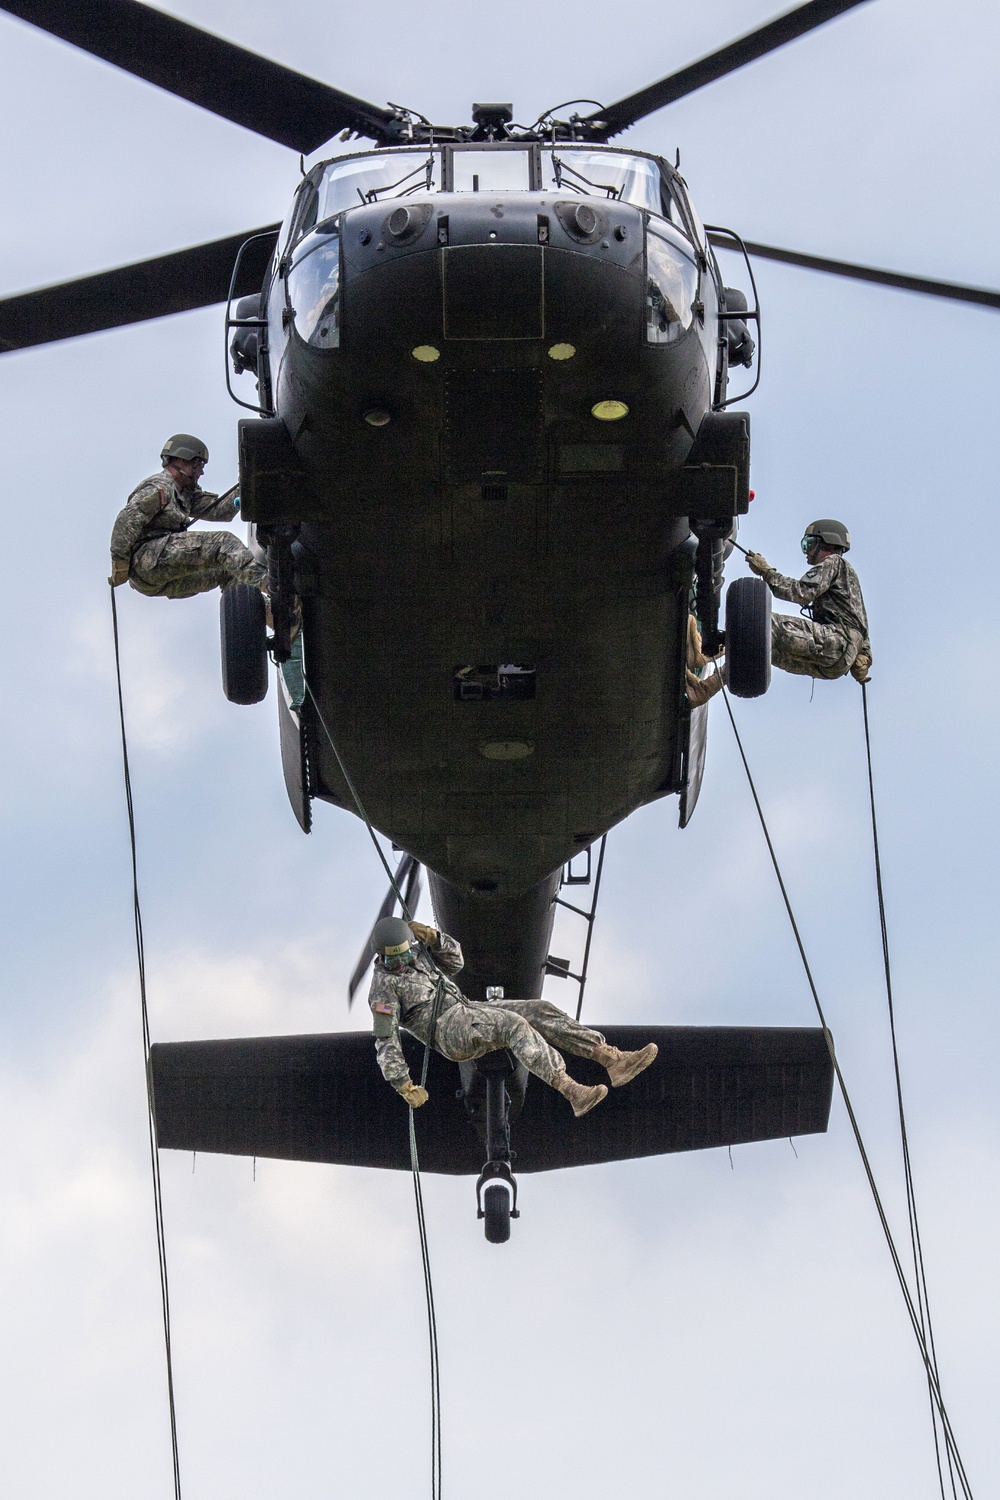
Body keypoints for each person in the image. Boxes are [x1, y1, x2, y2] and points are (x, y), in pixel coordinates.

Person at [367, 917, 658, 1117]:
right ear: (381, 956)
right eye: (394, 958)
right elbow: (386, 1039)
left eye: (404, 953)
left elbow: (455, 962)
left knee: (539, 1010)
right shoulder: (383, 990)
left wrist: (434, 938)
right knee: (514, 1026)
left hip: (468, 1009)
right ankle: (572, 1091)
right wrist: (403, 1084)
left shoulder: (417, 954)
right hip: (448, 1031)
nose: (402, 962)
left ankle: (612, 1060)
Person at [109, 434, 266, 598]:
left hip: (158, 577)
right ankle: (267, 582)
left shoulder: (186, 493)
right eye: (198, 465)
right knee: (224, 543)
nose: (201, 472)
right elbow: (126, 521)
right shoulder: (160, 487)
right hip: (148, 560)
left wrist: (247, 480)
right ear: (183, 460)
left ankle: (282, 616)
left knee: (229, 570)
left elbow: (220, 510)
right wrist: (119, 564)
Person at [747, 519, 872, 683]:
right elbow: (860, 623)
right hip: (836, 665)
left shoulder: (834, 562)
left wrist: (766, 572)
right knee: (761, 649)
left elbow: (801, 592)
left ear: (826, 544)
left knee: (760, 622)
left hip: (835, 640)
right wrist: (864, 657)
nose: (806, 551)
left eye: (810, 544)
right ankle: (708, 685)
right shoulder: (848, 578)